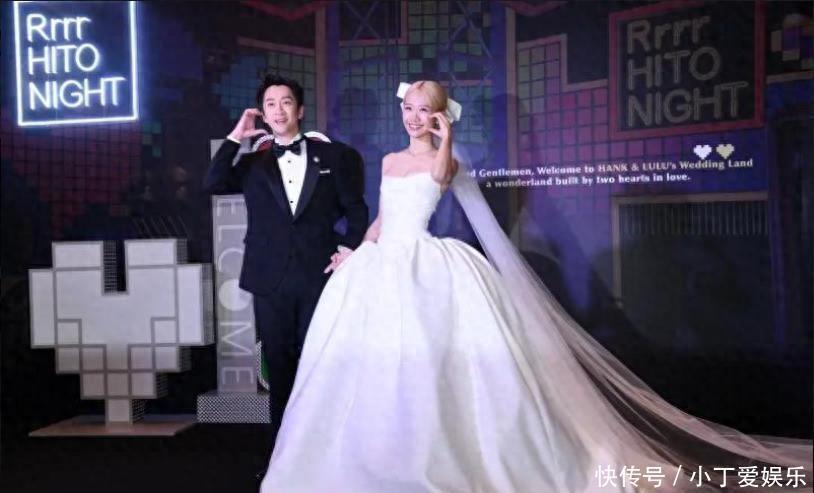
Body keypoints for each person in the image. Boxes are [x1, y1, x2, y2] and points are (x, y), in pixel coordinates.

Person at [260, 81, 812, 492]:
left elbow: (441, 177)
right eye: (408, 109)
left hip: (427, 266)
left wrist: (447, 138)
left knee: (432, 368)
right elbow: (382, 219)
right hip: (382, 265)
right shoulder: (387, 160)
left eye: (424, 110)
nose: (413, 118)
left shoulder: (444, 161)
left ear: (438, 115)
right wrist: (357, 250)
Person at [203, 74, 368, 474]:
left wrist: (348, 249)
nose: (279, 110)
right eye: (271, 104)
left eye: (286, 102)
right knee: (279, 369)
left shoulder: (335, 156)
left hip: (319, 277)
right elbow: (213, 182)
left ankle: (327, 457)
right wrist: (236, 136)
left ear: (301, 109)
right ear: (263, 113)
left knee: (321, 366)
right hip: (269, 279)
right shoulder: (251, 162)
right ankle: (283, 460)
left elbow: (357, 210)